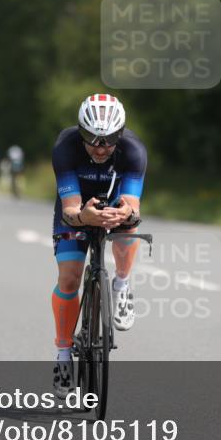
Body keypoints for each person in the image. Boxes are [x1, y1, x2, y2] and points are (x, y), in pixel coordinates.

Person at [50, 94, 146, 395]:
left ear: (120, 134)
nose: (101, 148)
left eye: (109, 140)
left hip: (113, 200)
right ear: (81, 132)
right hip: (77, 205)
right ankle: (63, 353)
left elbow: (133, 204)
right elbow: (69, 209)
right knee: (69, 278)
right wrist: (84, 217)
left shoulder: (133, 151)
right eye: (92, 139)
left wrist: (125, 213)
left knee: (129, 223)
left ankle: (121, 284)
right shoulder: (65, 148)